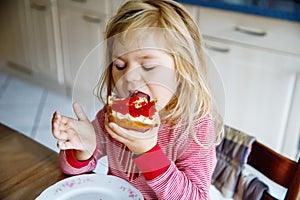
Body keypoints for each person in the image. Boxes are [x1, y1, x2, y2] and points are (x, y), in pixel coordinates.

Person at [52, 0, 223, 199]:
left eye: (148, 66)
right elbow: (70, 170)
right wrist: (84, 148)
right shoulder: (113, 116)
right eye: (120, 65)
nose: (129, 77)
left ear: (182, 71)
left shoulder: (194, 129)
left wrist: (148, 153)